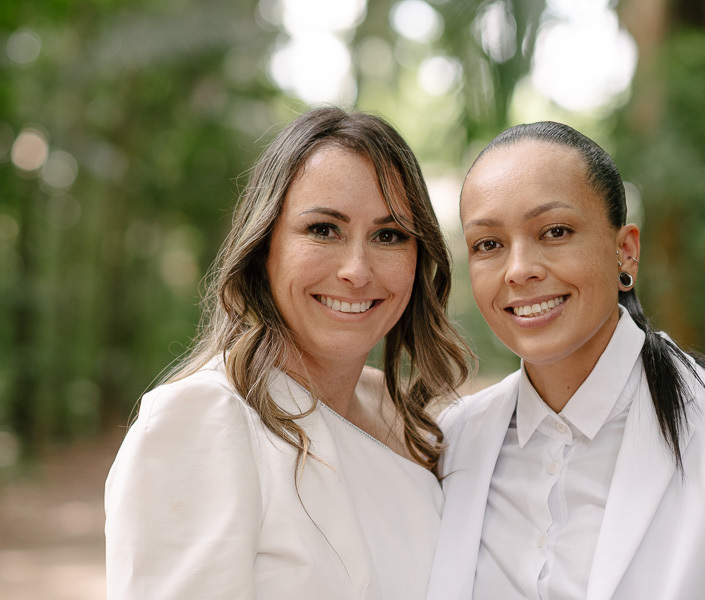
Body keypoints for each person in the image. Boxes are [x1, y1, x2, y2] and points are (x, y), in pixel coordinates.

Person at [427, 121, 705, 599]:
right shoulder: (454, 442)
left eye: (555, 231)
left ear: (625, 251)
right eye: (488, 244)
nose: (519, 269)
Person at [105, 107, 470, 599]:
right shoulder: (202, 421)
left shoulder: (409, 419)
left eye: (389, 235)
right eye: (323, 229)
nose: (356, 270)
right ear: (265, 247)